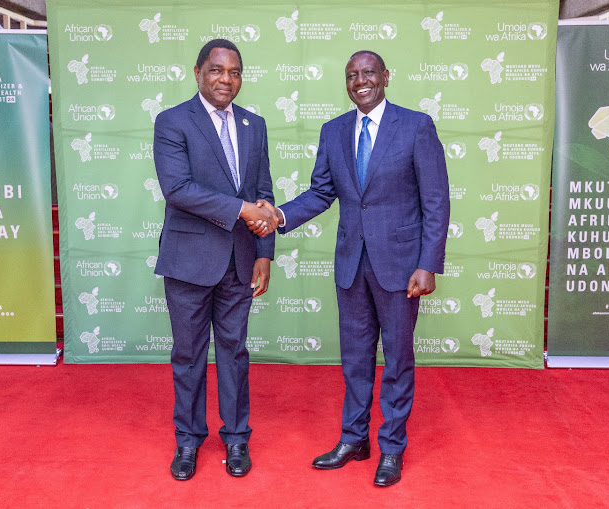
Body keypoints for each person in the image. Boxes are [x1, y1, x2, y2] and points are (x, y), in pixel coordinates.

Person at [250, 50, 450, 486]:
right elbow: (321, 192)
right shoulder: (334, 131)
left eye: (368, 73)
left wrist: (428, 263)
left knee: (397, 359)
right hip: (351, 266)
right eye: (352, 76)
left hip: (400, 267)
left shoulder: (416, 126)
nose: (360, 81)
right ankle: (354, 439)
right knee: (355, 359)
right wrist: (279, 215)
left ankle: (392, 448)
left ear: (385, 77)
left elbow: (436, 200)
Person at [153, 39, 279, 481]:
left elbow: (263, 190)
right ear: (198, 72)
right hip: (189, 260)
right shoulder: (172, 121)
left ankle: (238, 438)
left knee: (234, 352)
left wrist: (264, 253)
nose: (227, 79)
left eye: (235, 72)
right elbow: (178, 189)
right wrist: (243, 211)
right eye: (217, 71)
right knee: (188, 355)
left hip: (240, 261)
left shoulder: (254, 124)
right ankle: (187, 441)